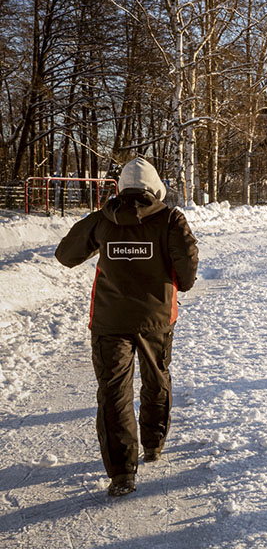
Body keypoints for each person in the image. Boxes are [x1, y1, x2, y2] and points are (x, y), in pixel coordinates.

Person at [55, 158, 198, 497]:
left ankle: (121, 474)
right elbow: (188, 276)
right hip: (157, 319)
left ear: (120, 188)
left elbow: (65, 254)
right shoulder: (171, 220)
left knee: (113, 392)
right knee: (157, 378)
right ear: (155, 187)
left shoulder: (102, 220)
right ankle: (152, 445)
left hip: (109, 321)